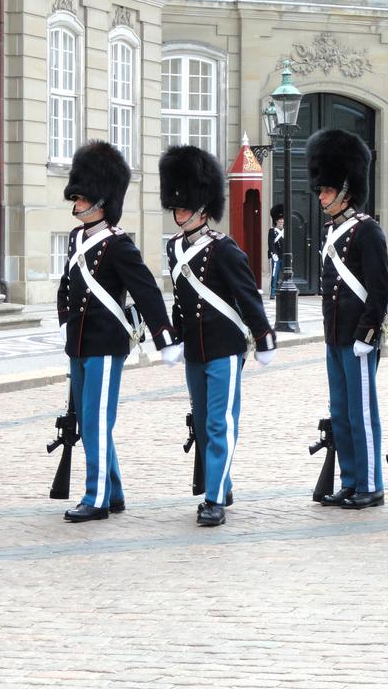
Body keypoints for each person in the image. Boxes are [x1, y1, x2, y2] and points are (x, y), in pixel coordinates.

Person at [57, 140, 183, 523]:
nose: (76, 204)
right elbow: (69, 286)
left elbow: (146, 289)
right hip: (78, 342)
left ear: (100, 201)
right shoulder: (77, 239)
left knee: (96, 419)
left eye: (81, 199)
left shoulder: (118, 244)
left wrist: (164, 337)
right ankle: (112, 491)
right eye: (76, 198)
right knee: (90, 418)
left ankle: (95, 498)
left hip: (105, 343)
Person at [161, 145, 276, 527]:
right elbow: (180, 300)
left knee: (218, 423)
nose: (178, 215)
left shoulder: (224, 249)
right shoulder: (174, 248)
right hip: (195, 348)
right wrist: (175, 337)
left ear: (203, 208)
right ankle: (221, 482)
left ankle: (213, 499)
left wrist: (264, 337)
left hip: (225, 348)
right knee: (204, 417)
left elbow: (247, 295)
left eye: (184, 208)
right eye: (175, 208)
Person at [307, 129, 388, 510]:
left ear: (345, 189)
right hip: (335, 336)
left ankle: (370, 483)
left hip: (357, 337)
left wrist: (367, 333)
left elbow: (378, 289)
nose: (321, 197)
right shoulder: (331, 231)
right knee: (341, 412)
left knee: (361, 413)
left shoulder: (367, 231)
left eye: (326, 191)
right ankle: (351, 479)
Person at [267, 204, 284, 299]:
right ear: (276, 220)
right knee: (275, 274)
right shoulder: (272, 231)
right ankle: (273, 293)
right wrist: (273, 253)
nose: (281, 221)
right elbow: (270, 243)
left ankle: (283, 291)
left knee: (286, 275)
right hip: (276, 256)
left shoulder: (286, 230)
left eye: (282, 219)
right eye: (279, 219)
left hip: (284, 256)